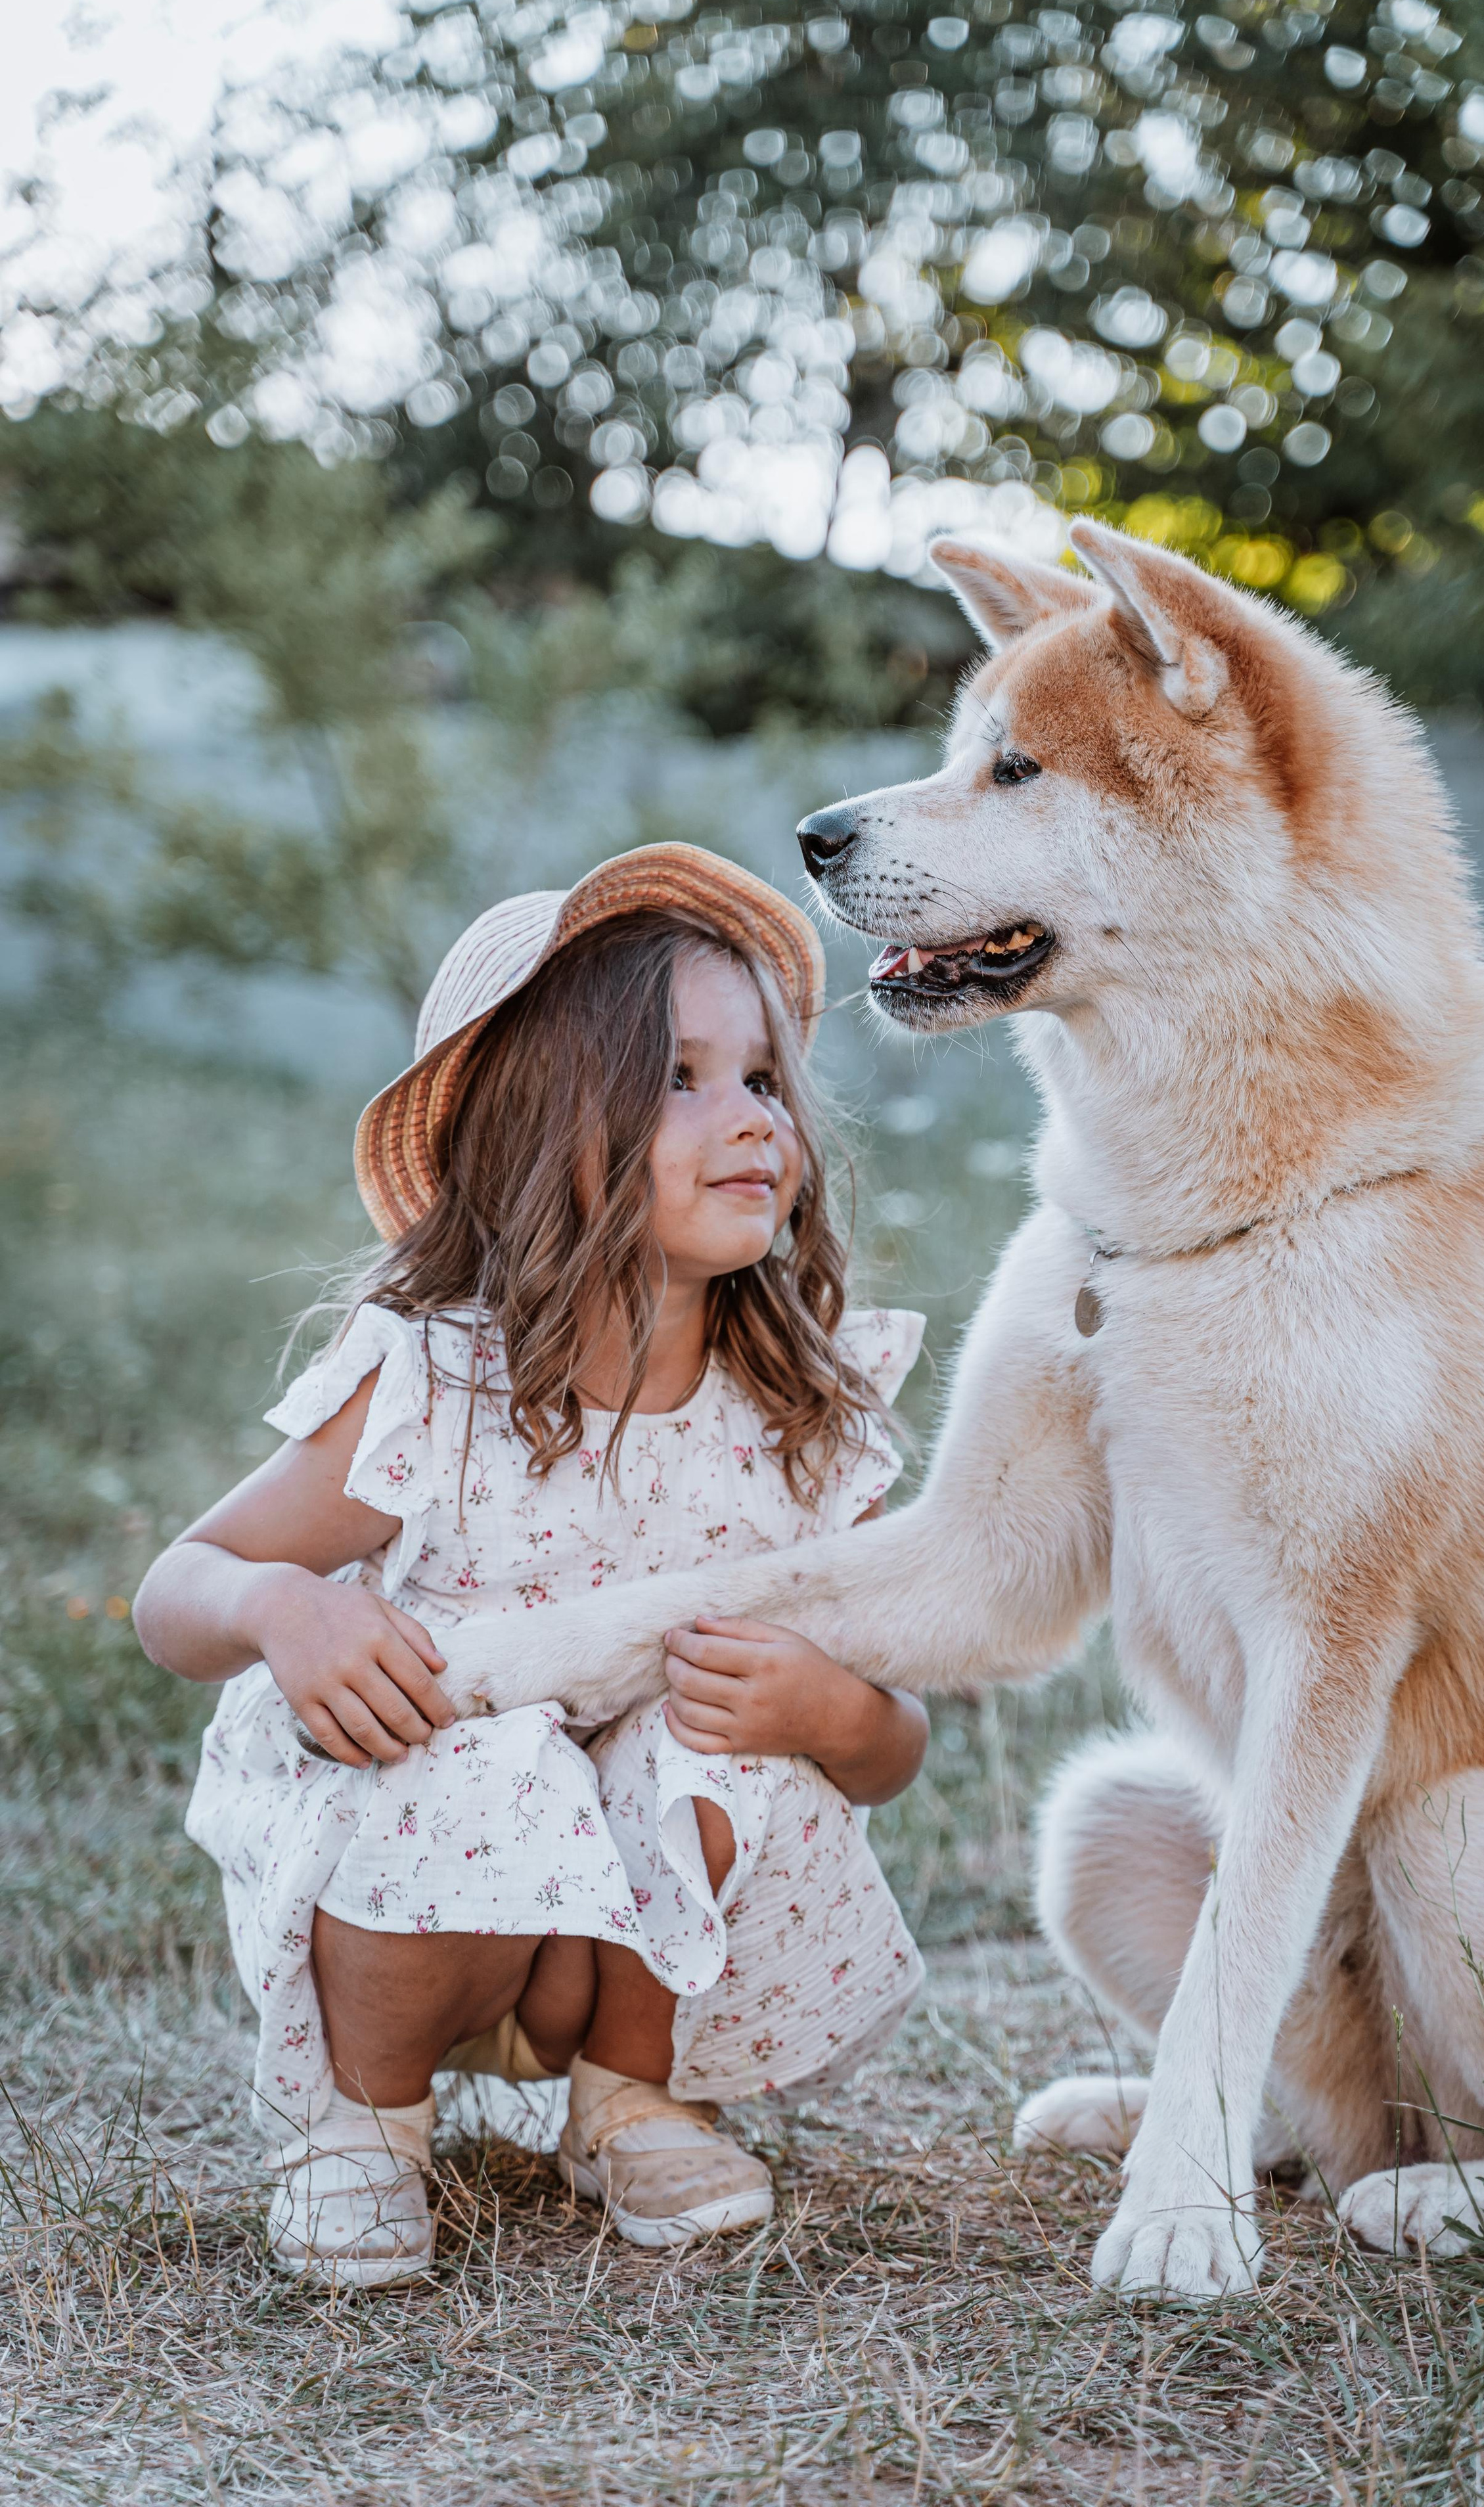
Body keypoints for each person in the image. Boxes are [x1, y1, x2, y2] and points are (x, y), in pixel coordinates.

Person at [133, 845, 928, 2288]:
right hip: (423, 1910)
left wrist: (832, 1716)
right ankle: (362, 2128)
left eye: (762, 1080)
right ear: (538, 1130)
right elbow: (173, 1592)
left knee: (735, 1748)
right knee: (470, 1754)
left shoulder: (797, 1424)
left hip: (625, 1932)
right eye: (681, 1078)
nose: (750, 1120)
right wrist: (279, 1605)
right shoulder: (436, 1387)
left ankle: (630, 2101)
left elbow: (888, 1752)